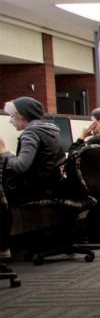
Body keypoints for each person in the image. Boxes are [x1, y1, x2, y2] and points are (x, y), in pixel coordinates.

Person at [0, 96, 67, 258]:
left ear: (22, 115)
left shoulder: (30, 133)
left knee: (2, 202)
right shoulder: (50, 129)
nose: (10, 121)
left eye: (12, 116)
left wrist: (3, 151)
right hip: (53, 185)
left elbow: (21, 166)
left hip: (37, 188)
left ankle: (3, 248)